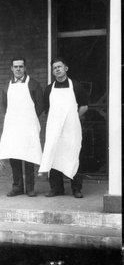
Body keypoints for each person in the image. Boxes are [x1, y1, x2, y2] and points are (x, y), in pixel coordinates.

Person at [38, 57, 88, 198]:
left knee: (73, 154)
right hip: (55, 129)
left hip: (71, 128)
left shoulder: (76, 86)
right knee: (54, 154)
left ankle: (76, 188)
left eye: (59, 66)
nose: (57, 69)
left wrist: (72, 118)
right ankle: (56, 188)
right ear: (53, 71)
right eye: (54, 68)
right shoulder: (49, 89)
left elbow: (84, 106)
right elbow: (48, 110)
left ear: (66, 68)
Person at [0, 57, 43, 197]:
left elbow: (40, 105)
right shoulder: (7, 86)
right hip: (13, 126)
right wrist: (14, 120)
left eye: (21, 66)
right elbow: (4, 106)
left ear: (25, 68)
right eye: (15, 67)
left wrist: (29, 119)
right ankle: (17, 187)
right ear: (11, 68)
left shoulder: (33, 84)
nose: (18, 69)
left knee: (29, 156)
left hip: (28, 126)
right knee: (14, 154)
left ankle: (30, 188)